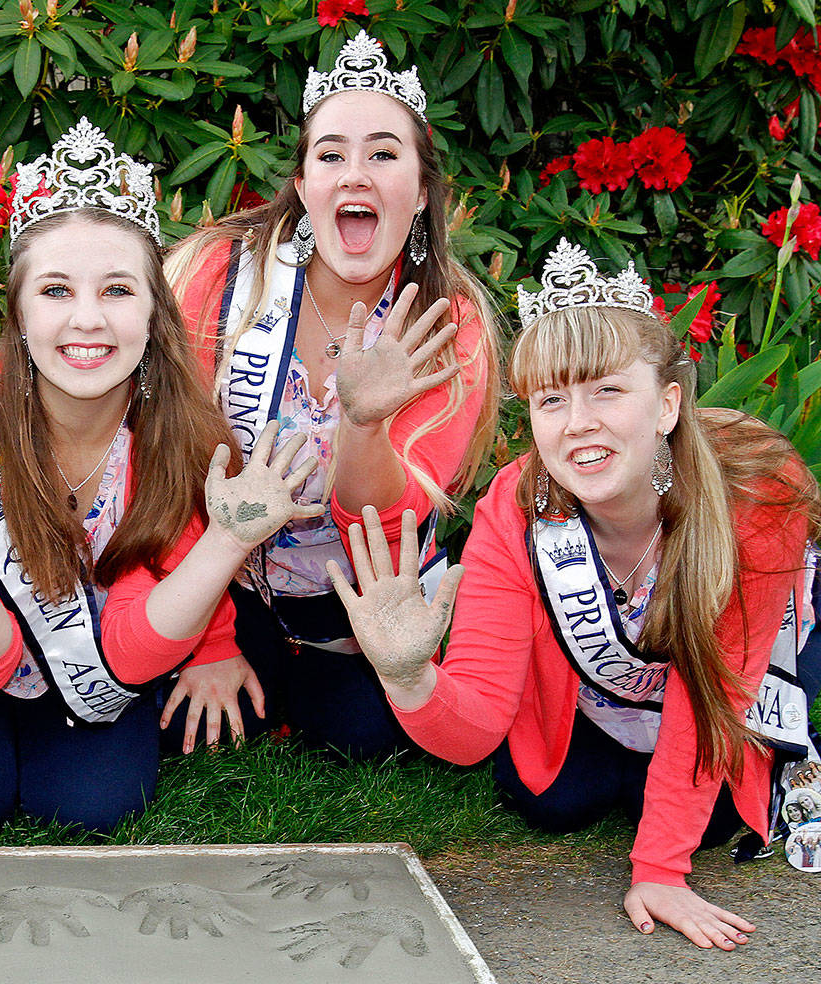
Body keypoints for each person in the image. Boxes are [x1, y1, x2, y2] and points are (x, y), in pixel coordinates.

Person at [0, 119, 320, 844]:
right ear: (18, 311)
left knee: (97, 802)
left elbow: (128, 651)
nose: (87, 321)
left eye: (118, 289)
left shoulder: (182, 436)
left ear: (155, 311)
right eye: (57, 290)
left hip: (93, 673)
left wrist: (225, 545)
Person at [331, 238, 821, 949]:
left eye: (608, 391)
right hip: (609, 685)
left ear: (667, 405)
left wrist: (659, 868)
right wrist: (407, 676)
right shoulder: (516, 503)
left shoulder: (755, 500)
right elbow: (475, 729)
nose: (578, 423)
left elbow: (709, 695)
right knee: (546, 796)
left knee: (713, 821)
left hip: (730, 678)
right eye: (552, 399)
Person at [162, 31, 500, 756]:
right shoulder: (213, 277)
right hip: (222, 590)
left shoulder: (451, 321)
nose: (356, 175)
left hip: (358, 611)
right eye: (331, 155)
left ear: (421, 193)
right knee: (169, 712)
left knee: (368, 734)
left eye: (383, 154)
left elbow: (386, 524)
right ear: (304, 184)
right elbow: (160, 467)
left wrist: (364, 420)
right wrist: (208, 640)